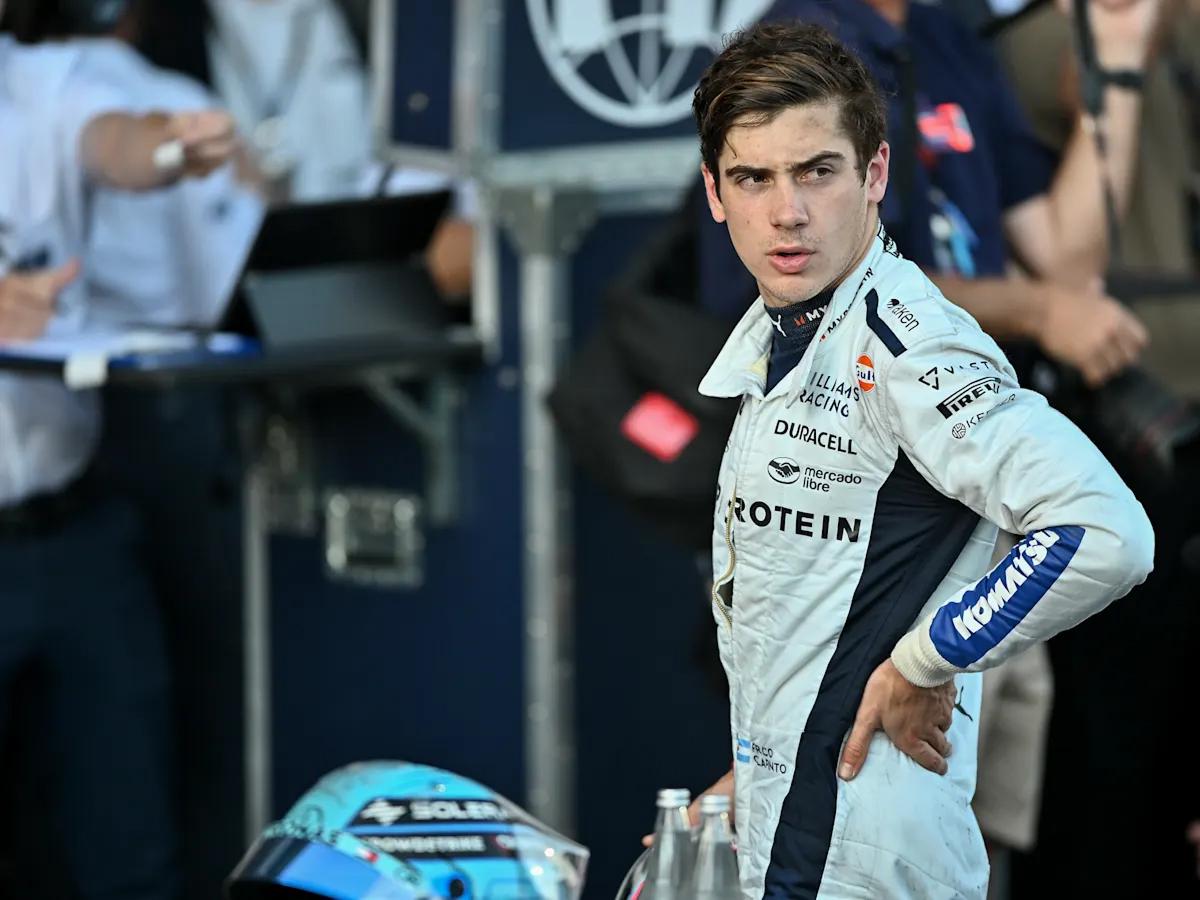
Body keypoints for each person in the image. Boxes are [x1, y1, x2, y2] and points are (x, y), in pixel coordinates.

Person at [688, 21, 1153, 898]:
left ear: (875, 175)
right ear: (715, 193)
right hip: (795, 838)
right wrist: (752, 779)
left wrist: (927, 658)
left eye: (817, 172)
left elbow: (1106, 531)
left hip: (862, 864)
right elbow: (815, 625)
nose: (787, 212)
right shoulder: (784, 336)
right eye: (754, 179)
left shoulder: (908, 345)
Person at [0, 18, 236, 897]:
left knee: (130, 847)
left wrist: (173, 146)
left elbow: (117, 142)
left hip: (71, 530)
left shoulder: (39, 81)